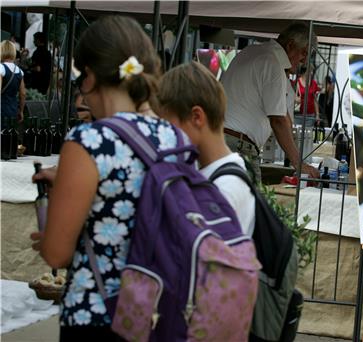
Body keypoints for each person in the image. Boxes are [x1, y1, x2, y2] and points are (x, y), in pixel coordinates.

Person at [29, 16, 178, 339]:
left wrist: (57, 224)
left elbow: (57, 254)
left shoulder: (88, 142)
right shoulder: (173, 138)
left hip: (97, 315)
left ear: (91, 76)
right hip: (157, 313)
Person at [157, 61, 256, 237]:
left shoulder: (224, 189)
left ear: (196, 117)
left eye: (168, 125)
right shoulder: (211, 173)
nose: (164, 134)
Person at [221, 23, 320, 181]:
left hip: (221, 138)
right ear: (290, 45)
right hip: (238, 145)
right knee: (250, 203)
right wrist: (299, 164)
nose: (304, 60)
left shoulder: (253, 51)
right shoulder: (273, 63)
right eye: (304, 53)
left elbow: (281, 116)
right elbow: (278, 121)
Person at [1, 40, 26, 122]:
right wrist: (21, 111)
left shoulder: (1, 68)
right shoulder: (19, 71)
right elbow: (23, 94)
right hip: (13, 110)